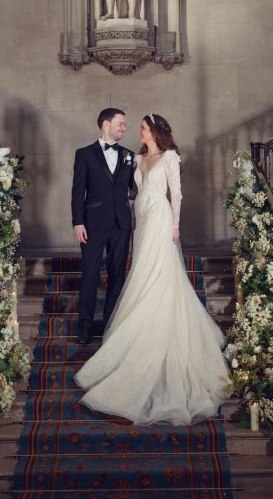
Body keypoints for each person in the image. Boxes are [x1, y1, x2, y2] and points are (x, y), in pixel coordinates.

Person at [75, 113, 232, 426]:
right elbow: (124, 188)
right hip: (141, 222)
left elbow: (177, 193)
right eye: (134, 127)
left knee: (159, 272)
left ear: (154, 131)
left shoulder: (170, 157)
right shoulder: (137, 157)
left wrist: (175, 225)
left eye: (142, 128)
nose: (136, 130)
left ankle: (155, 322)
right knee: (140, 272)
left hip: (160, 219)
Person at [71, 108, 135, 345]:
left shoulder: (129, 155)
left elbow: (134, 187)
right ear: (106, 124)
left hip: (121, 224)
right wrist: (77, 221)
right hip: (92, 224)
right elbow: (78, 191)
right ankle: (84, 328)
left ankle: (111, 325)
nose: (124, 128)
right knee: (89, 275)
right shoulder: (84, 154)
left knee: (117, 275)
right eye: (121, 123)